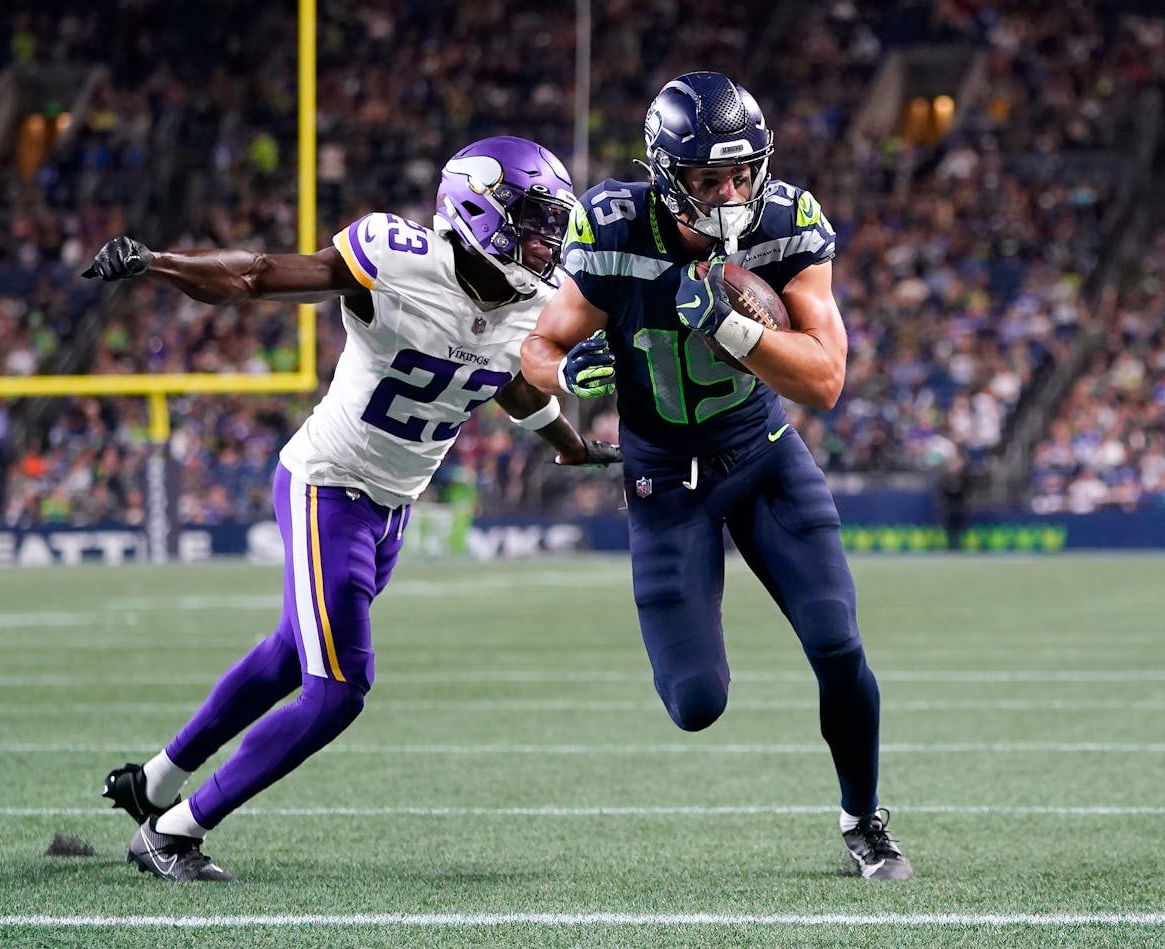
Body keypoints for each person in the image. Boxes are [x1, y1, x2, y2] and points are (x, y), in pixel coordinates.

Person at [83, 136, 621, 882]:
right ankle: (173, 832)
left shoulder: (532, 301)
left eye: (551, 222)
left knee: (286, 656)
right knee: (337, 689)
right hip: (328, 485)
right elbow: (255, 274)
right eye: (530, 218)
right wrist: (160, 263)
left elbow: (514, 384)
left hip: (390, 509)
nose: (545, 238)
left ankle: (153, 783)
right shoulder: (396, 259)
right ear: (474, 207)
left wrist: (569, 444)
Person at [522, 73, 913, 880]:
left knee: (838, 641)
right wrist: (567, 374)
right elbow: (538, 346)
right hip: (664, 484)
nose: (731, 192)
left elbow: (827, 380)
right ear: (668, 176)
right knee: (695, 701)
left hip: (763, 457)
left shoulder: (789, 221)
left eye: (741, 173)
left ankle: (863, 820)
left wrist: (733, 328)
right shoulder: (614, 222)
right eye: (709, 179)